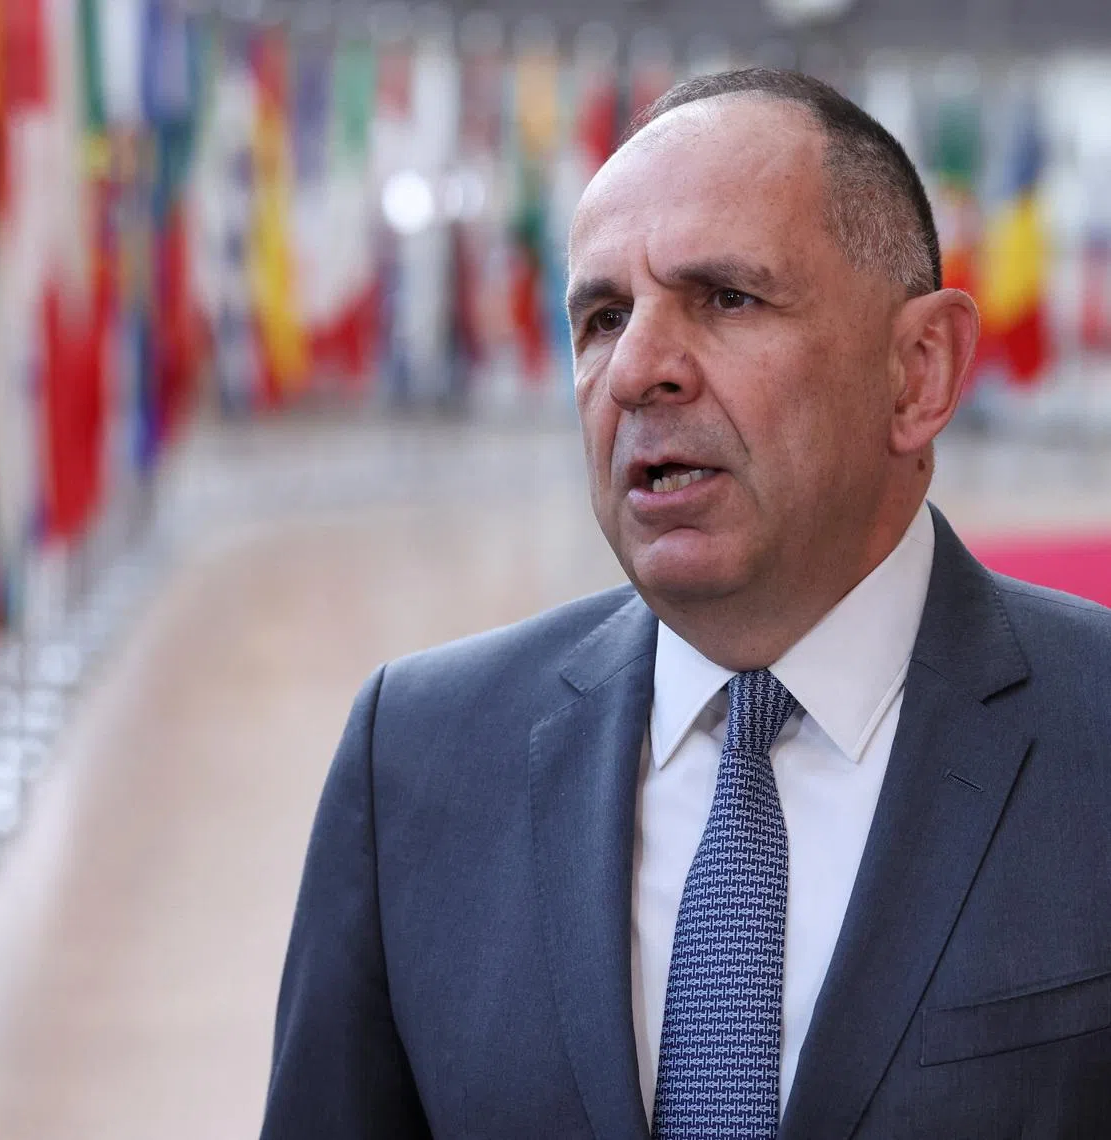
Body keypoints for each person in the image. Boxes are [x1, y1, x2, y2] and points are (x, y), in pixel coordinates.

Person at [259, 69, 1111, 1139]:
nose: (637, 372)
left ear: (917, 373)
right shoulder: (417, 758)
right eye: (604, 315)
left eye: (726, 298)